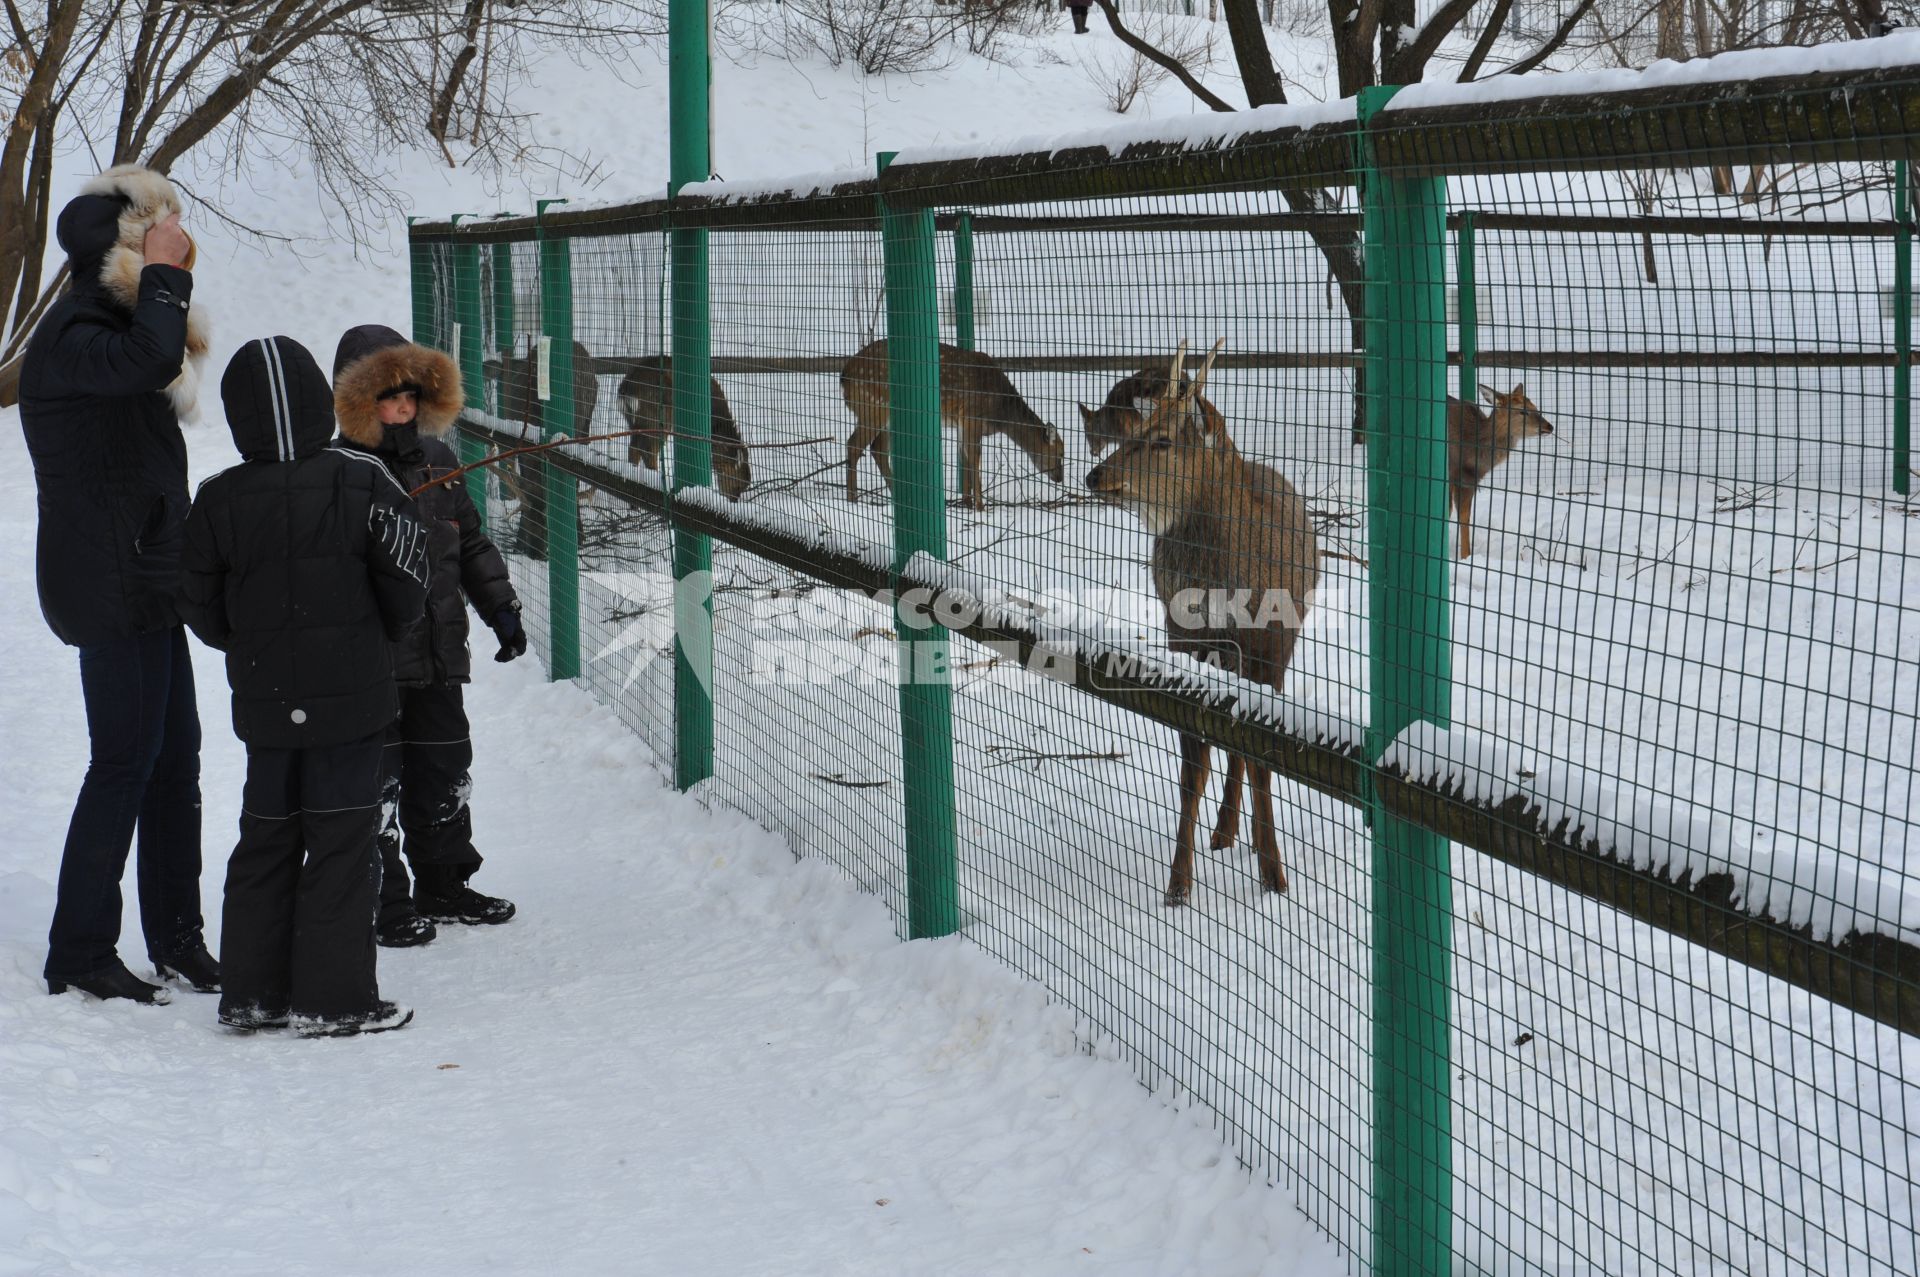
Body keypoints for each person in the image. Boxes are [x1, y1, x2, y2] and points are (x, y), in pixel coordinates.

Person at [177, 336, 430, 1036]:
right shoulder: (366, 479)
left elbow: (196, 601)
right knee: (343, 841)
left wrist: (251, 643)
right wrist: (376, 638)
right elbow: (408, 580)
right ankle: (335, 998)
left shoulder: (218, 498)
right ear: (320, 398)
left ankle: (253, 994)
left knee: (266, 839)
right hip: (353, 700)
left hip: (265, 701)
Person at [20, 165, 217, 1004]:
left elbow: (155, 360)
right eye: (147, 244)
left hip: (145, 576)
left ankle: (179, 938)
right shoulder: (73, 334)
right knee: (124, 763)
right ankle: (80, 950)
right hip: (108, 584)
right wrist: (168, 278)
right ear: (118, 255)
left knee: (176, 762)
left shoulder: (104, 320)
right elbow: (148, 363)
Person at [332, 325, 526, 948]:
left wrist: (500, 606)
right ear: (359, 403)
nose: (403, 410)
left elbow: (468, 541)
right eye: (389, 399)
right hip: (378, 660)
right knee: (380, 783)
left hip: (441, 652)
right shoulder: (342, 472)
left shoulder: (439, 462)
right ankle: (386, 900)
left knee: (444, 768)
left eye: (412, 397)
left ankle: (444, 880)